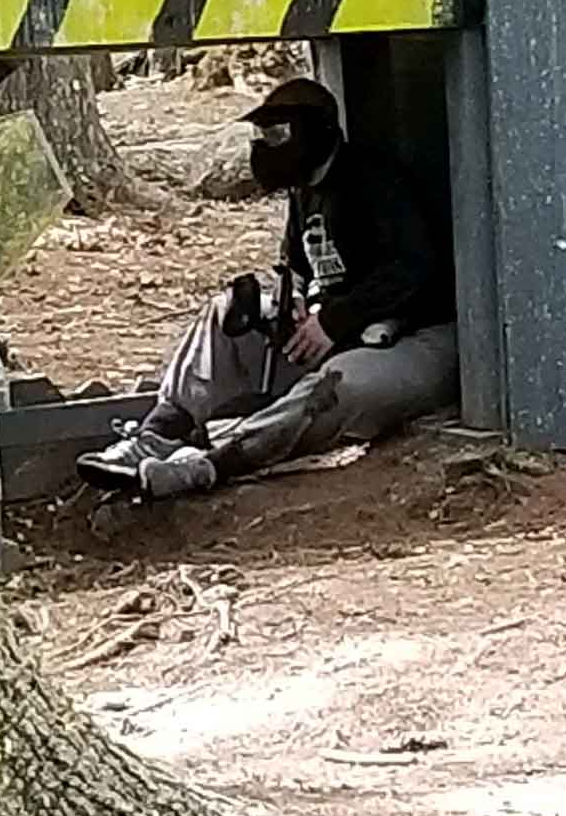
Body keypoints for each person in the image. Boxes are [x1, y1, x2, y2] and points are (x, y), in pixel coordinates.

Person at [76, 78, 459, 500]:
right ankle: (157, 435)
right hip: (337, 336)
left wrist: (334, 319)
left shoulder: (375, 180)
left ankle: (208, 466)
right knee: (224, 312)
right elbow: (294, 266)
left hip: (415, 340)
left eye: (278, 134)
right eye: (261, 135)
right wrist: (289, 301)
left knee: (334, 388)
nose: (265, 147)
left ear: (316, 131)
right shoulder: (304, 192)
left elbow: (414, 267)